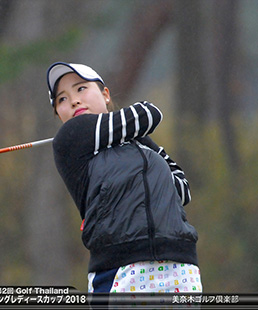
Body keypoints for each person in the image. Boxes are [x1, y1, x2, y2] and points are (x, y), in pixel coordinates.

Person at [47, 62, 202, 294]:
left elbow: (181, 190)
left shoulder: (137, 141)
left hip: (178, 265)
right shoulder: (70, 137)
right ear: (59, 114)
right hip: (120, 271)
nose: (74, 101)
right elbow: (149, 113)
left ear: (105, 94)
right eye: (62, 99)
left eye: (81, 89)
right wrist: (135, 134)